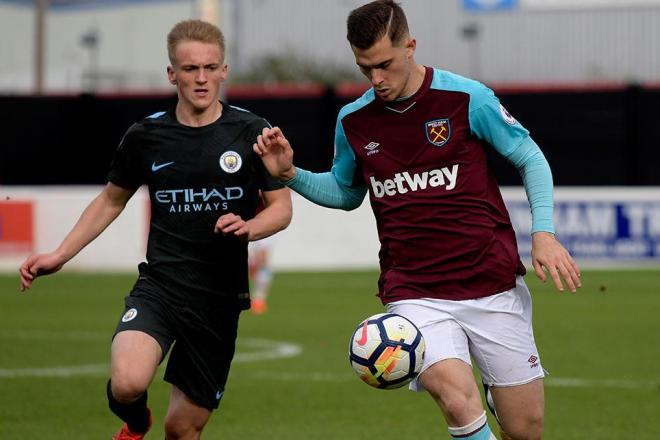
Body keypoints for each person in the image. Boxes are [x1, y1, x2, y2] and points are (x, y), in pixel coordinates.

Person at [253, 1, 580, 439]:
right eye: (364, 68)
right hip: (415, 291)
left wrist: (544, 234)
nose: (376, 80)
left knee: (526, 430)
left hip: (491, 281)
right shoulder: (353, 121)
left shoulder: (467, 98)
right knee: (454, 395)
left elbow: (530, 159)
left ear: (410, 46)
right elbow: (347, 193)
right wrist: (290, 174)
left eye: (384, 65)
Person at [19, 19, 291, 440]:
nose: (200, 78)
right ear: (172, 74)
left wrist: (249, 227)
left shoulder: (252, 131)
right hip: (161, 286)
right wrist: (59, 254)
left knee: (182, 429)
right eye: (189, 69)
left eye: (209, 67)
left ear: (223, 70)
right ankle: (134, 420)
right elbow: (111, 199)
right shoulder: (146, 136)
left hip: (218, 300)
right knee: (128, 383)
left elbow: (281, 209)